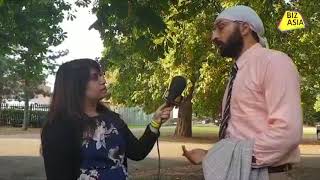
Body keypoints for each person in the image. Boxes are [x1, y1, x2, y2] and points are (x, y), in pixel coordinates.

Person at [182, 5, 302, 180]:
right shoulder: (236, 74)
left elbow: (286, 133)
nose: (213, 36)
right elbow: (240, 136)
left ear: (245, 28)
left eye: (221, 27)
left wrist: (226, 159)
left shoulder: (275, 62)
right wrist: (210, 155)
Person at [41, 58, 173, 180]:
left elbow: (137, 152)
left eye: (101, 75)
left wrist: (155, 123)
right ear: (75, 85)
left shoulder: (112, 119)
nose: (103, 80)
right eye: (94, 77)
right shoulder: (58, 127)